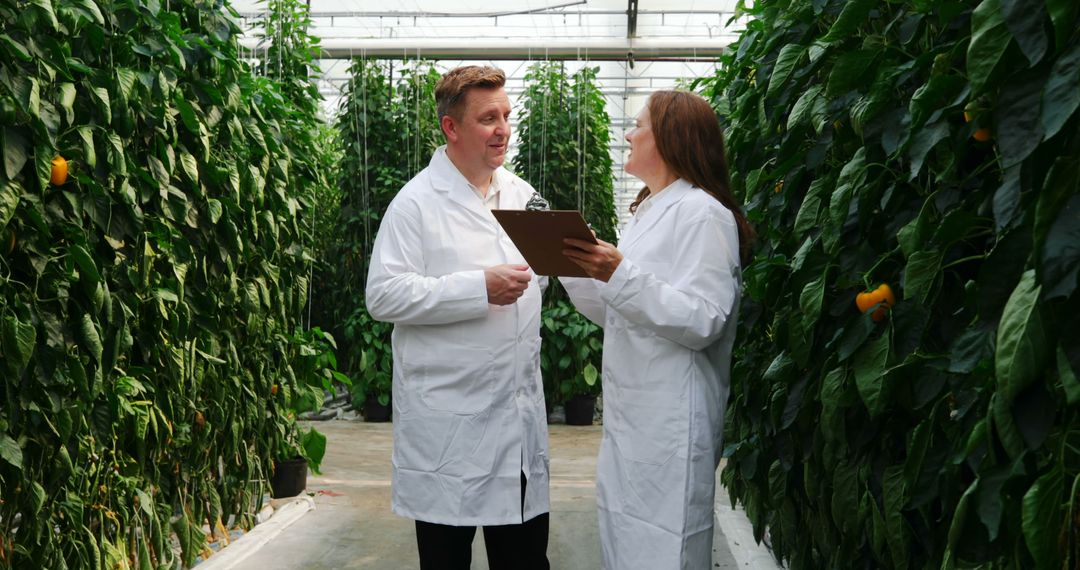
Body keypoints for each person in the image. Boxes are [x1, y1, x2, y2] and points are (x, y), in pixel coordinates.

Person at [365, 66, 550, 570]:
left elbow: (547, 272)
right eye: (488, 118)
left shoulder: (523, 195)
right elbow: (383, 295)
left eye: (507, 116)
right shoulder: (416, 204)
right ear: (451, 128)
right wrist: (478, 288)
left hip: (515, 422)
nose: (503, 129)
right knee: (447, 561)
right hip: (450, 429)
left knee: (525, 560)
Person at [560, 90, 754, 569]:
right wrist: (573, 269)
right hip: (633, 417)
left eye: (638, 125)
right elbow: (627, 312)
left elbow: (705, 318)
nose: (628, 134)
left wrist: (618, 274)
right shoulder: (650, 212)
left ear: (670, 139)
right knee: (626, 544)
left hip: (671, 423)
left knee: (666, 549)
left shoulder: (704, 214)